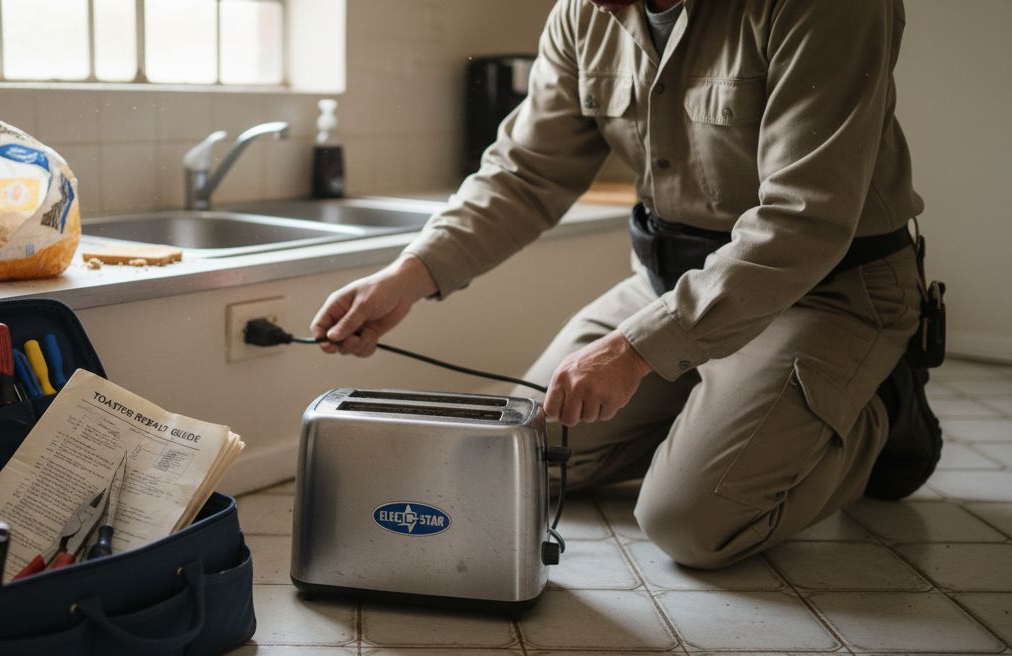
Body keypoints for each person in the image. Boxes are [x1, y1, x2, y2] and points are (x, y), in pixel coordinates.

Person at [309, 0, 942, 569]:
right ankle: (720, 414)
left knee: (690, 523)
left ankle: (881, 409)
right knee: (511, 456)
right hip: (668, 283)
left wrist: (636, 350)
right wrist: (409, 275)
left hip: (823, 292)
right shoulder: (582, 15)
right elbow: (525, 174)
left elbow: (804, 219)